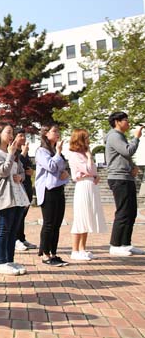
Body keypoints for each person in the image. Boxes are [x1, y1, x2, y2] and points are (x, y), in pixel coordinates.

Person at [0, 123, 31, 275]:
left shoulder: (13, 153)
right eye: (8, 132)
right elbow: (3, 172)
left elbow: (21, 173)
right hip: (4, 196)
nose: (11, 136)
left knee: (13, 231)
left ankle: (10, 260)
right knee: (4, 229)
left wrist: (21, 176)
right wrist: (11, 154)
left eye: (12, 133)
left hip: (17, 196)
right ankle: (1, 262)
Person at [105, 112, 143, 256]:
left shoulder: (120, 136)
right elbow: (127, 150)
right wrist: (136, 138)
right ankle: (115, 245)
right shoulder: (114, 135)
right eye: (125, 120)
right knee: (123, 211)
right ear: (117, 121)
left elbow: (123, 156)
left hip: (126, 177)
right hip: (118, 178)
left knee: (131, 211)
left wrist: (132, 166)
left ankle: (125, 244)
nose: (128, 123)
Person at [68, 128, 107, 260]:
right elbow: (88, 169)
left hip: (90, 185)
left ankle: (82, 248)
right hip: (83, 186)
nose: (88, 140)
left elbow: (93, 171)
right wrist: (90, 159)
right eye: (86, 138)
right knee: (80, 217)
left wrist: (93, 174)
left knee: (88, 217)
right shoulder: (75, 155)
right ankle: (74, 250)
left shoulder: (84, 154)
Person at [35, 125, 70, 267]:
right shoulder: (41, 151)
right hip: (47, 190)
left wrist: (66, 172)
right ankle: (45, 254)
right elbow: (51, 166)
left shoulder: (56, 151)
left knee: (57, 224)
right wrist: (59, 153)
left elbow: (63, 168)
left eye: (58, 131)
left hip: (58, 189)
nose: (57, 134)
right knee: (48, 223)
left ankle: (54, 253)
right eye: (54, 131)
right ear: (45, 133)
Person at [15, 129, 38, 251]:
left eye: (24, 136)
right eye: (20, 136)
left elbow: (28, 166)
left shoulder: (25, 151)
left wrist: (31, 171)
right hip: (19, 186)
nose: (23, 138)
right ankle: (15, 239)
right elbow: (16, 165)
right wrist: (23, 154)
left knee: (23, 215)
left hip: (28, 184)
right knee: (18, 214)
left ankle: (22, 238)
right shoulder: (13, 151)